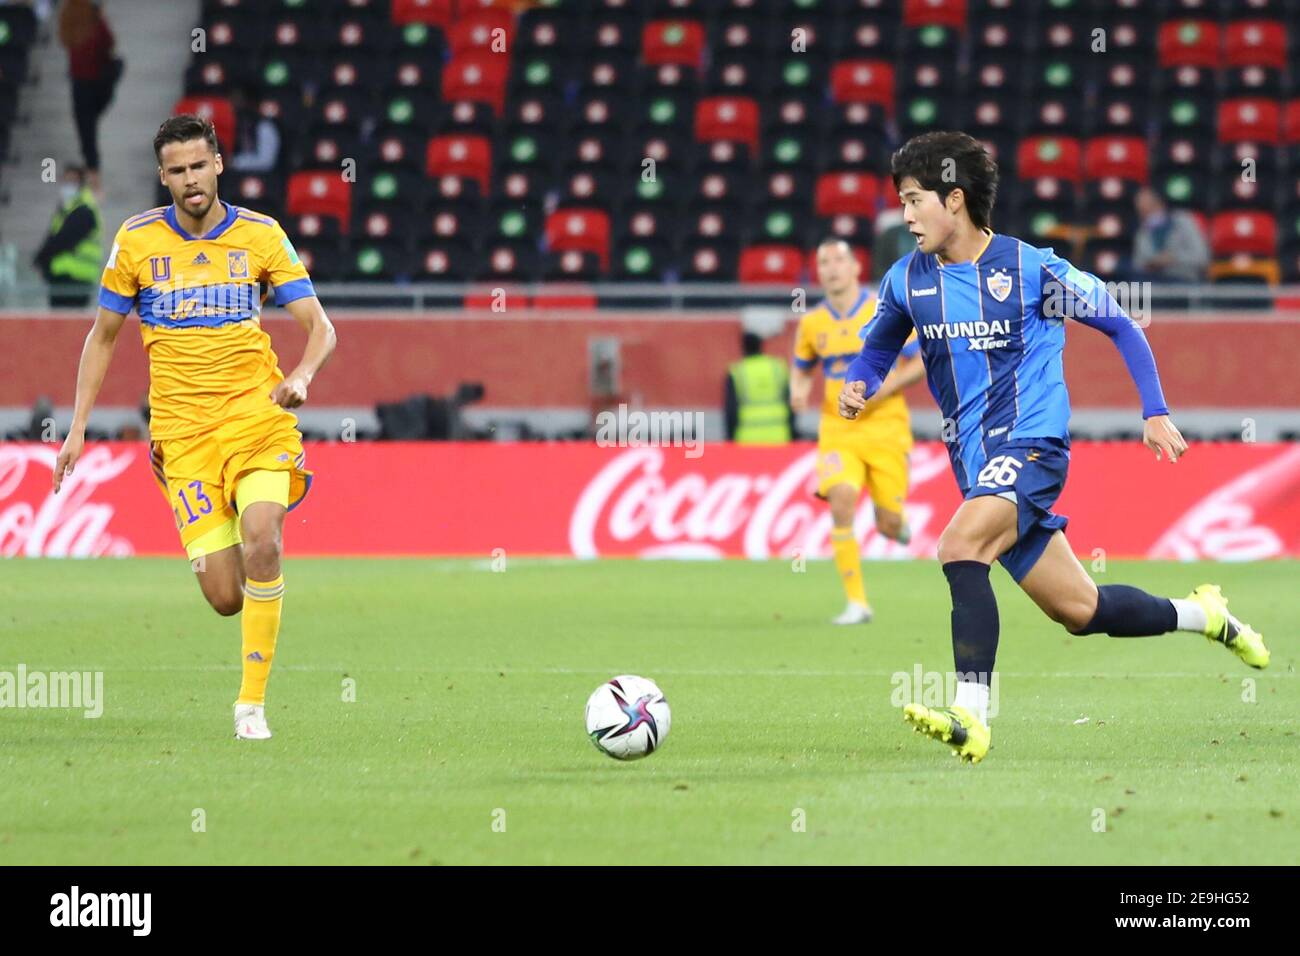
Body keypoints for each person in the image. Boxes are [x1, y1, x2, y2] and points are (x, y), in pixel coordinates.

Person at [840, 131, 1268, 763]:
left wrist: (1154, 410)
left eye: (912, 199)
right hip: (977, 464)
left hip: (1034, 445)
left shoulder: (1029, 269)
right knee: (1081, 609)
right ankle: (1204, 615)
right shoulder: (907, 280)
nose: (903, 216)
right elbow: (878, 346)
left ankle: (971, 715)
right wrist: (861, 382)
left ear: (953, 200)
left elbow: (1119, 321)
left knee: (960, 545)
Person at [52, 115, 338, 741]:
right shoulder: (135, 241)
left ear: (218, 165)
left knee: (265, 539)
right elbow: (102, 339)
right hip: (182, 438)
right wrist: (77, 427)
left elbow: (321, 327)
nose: (189, 179)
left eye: (198, 166)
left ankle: (251, 705)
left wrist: (303, 376)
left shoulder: (261, 236)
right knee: (226, 597)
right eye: (176, 170)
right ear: (163, 176)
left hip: (256, 420)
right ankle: (228, 531)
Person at [792, 239, 925, 625]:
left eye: (838, 261)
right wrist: (798, 390)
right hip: (838, 429)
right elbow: (802, 366)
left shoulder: (883, 310)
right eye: (823, 262)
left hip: (886, 428)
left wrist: (886, 388)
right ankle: (857, 603)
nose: (831, 268)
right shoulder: (811, 322)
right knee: (842, 500)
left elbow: (920, 363)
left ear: (854, 268)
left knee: (887, 522)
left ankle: (895, 526)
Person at [58, 0, 120, 192]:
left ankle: (93, 175)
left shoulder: (93, 23)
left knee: (87, 129)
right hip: (85, 83)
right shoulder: (77, 22)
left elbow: (108, 43)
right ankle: (93, 174)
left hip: (95, 83)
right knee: (86, 129)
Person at [33, 164, 102, 307]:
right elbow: (53, 237)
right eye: (66, 181)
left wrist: (40, 259)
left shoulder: (84, 210)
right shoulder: (68, 209)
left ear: (81, 184)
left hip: (75, 278)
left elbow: (62, 240)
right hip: (64, 277)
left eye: (72, 181)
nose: (68, 186)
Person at [725, 331, 793, 444]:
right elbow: (791, 403)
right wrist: (792, 433)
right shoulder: (778, 368)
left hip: (747, 439)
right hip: (779, 437)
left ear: (743, 347)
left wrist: (730, 439)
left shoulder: (737, 372)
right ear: (761, 346)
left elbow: (731, 411)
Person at [1131, 186, 1209, 283]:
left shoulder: (1184, 221)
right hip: (1154, 283)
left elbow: (1202, 257)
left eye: (1150, 208)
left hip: (1185, 281)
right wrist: (1153, 263)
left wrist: (1173, 258)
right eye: (1142, 212)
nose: (1147, 215)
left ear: (1160, 204)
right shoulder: (1142, 233)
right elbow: (1137, 265)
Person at [228, 84, 281, 174]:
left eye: (239, 100)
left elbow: (266, 162)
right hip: (231, 177)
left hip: (265, 179)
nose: (235, 106)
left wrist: (234, 162)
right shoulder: (229, 124)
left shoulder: (265, 126)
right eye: (232, 101)